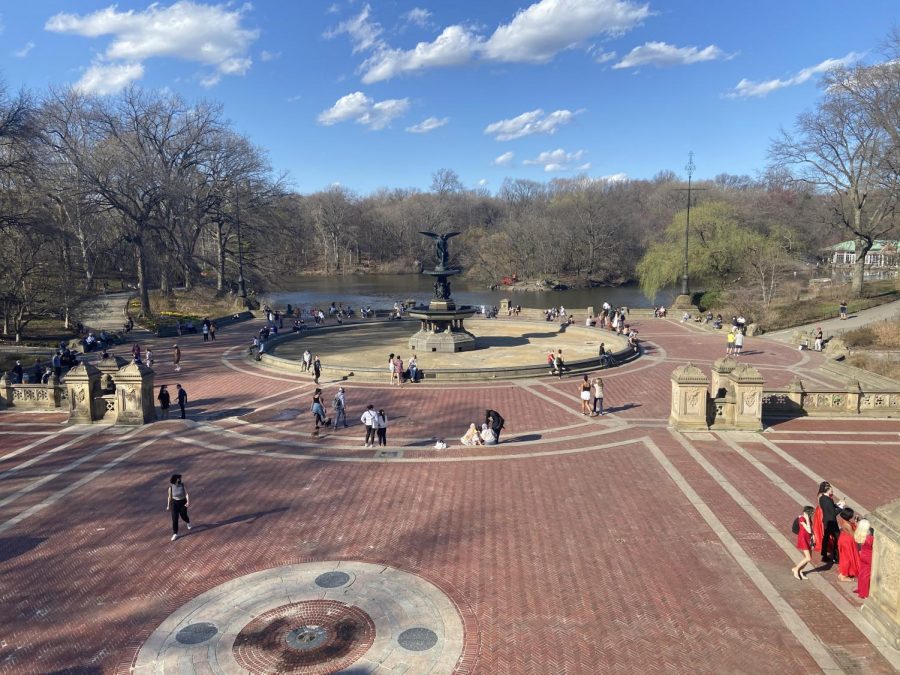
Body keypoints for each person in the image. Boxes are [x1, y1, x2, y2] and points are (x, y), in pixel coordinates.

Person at [819, 484, 842, 563]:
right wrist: (841, 507)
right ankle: (836, 557)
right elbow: (833, 513)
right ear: (827, 490)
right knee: (837, 539)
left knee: (826, 538)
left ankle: (824, 555)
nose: (832, 491)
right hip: (832, 522)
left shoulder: (822, 498)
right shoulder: (829, 499)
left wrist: (837, 504)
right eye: (831, 490)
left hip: (826, 521)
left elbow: (828, 507)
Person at [791, 506, 815, 580]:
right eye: (811, 513)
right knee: (808, 557)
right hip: (803, 539)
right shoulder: (801, 519)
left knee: (809, 557)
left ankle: (800, 570)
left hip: (808, 538)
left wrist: (813, 537)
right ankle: (796, 569)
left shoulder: (808, 519)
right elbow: (808, 530)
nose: (812, 514)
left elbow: (811, 530)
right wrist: (807, 520)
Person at [837, 508, 861, 581]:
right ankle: (843, 576)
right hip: (848, 542)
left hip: (844, 539)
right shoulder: (847, 525)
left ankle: (842, 573)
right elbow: (853, 535)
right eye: (852, 515)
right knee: (847, 558)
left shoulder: (843, 520)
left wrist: (855, 523)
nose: (853, 516)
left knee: (845, 557)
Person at [166, 474, 191, 541]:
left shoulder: (183, 485)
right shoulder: (171, 488)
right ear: (175, 480)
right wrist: (168, 505)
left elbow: (186, 494)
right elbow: (169, 497)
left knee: (183, 516)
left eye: (180, 478)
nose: (180, 479)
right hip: (174, 503)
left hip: (182, 502)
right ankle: (175, 534)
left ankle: (188, 521)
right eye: (179, 478)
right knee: (175, 519)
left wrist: (188, 502)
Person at [855, 519, 873, 599]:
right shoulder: (870, 538)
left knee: (862, 573)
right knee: (866, 575)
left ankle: (860, 588)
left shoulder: (859, 534)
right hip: (869, 557)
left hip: (862, 555)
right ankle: (864, 592)